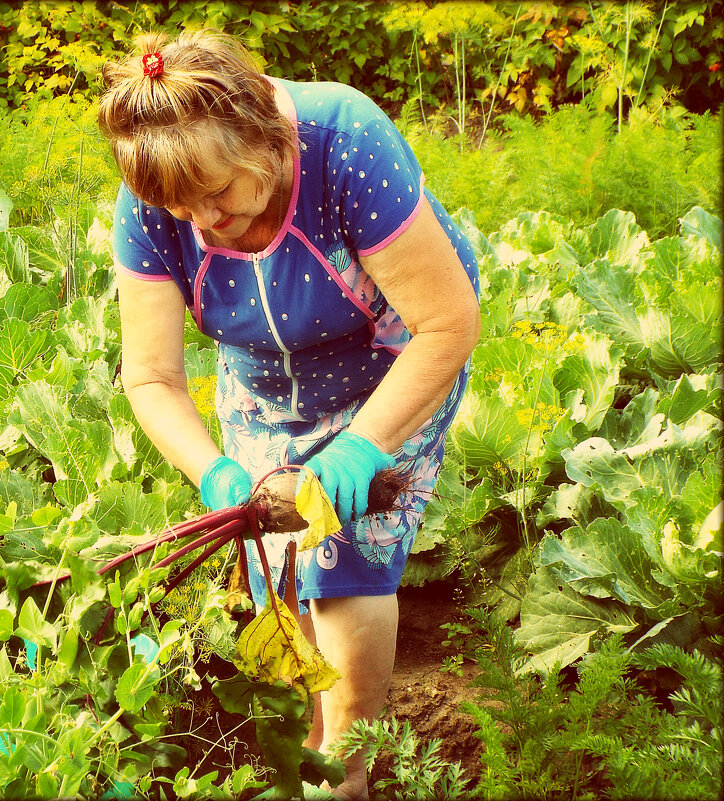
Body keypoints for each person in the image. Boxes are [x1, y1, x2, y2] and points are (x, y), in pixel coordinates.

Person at [97, 29, 480, 800]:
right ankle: (307, 744)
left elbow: (446, 324)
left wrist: (362, 448)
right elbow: (151, 376)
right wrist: (214, 472)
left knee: (343, 569)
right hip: (265, 383)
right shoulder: (153, 199)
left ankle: (347, 766)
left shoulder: (347, 144)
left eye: (218, 195)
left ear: (267, 143)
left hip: (392, 362)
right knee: (276, 576)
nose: (201, 222)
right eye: (179, 205)